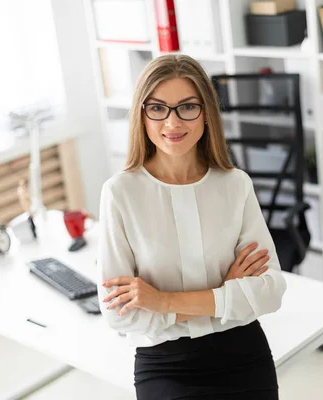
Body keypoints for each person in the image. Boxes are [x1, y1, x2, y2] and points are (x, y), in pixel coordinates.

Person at [96, 54, 286, 400]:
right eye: (157, 108)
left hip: (241, 350)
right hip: (165, 362)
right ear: (142, 114)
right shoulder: (120, 193)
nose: (173, 122)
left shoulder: (234, 185)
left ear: (206, 113)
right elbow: (120, 316)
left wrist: (161, 300)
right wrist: (224, 294)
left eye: (187, 107)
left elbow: (271, 291)